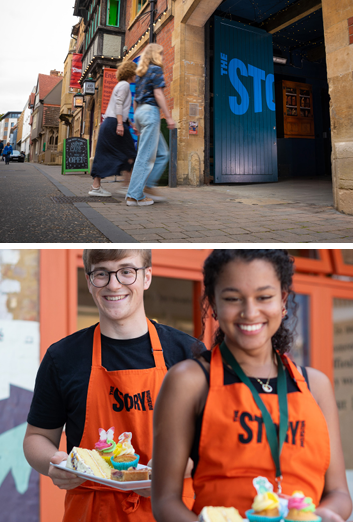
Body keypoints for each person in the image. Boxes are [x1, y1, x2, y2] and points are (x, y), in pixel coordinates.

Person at [151, 249, 352, 522]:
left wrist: (326, 514)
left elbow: (339, 492)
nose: (250, 311)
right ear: (213, 304)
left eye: (264, 297)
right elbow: (165, 501)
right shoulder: (189, 380)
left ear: (282, 300)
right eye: (233, 299)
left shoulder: (315, 385)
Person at [23, 249, 201, 522]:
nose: (113, 284)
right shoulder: (62, 357)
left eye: (127, 271)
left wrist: (177, 468)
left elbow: (215, 440)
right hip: (92, 512)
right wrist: (54, 463)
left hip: (171, 509)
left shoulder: (188, 352)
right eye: (102, 273)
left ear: (147, 277)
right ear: (88, 280)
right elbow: (37, 438)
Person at [126, 44, 175, 207]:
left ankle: (147, 186)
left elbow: (135, 99)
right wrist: (168, 117)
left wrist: (135, 121)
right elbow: (158, 94)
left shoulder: (141, 74)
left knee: (162, 153)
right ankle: (134, 196)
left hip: (140, 112)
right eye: (161, 53)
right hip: (150, 112)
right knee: (146, 156)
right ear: (155, 54)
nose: (163, 56)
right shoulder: (155, 69)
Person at [89, 61, 138, 198]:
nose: (137, 75)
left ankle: (98, 186)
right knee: (129, 153)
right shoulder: (125, 85)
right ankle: (124, 186)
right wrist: (120, 124)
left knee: (113, 153)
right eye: (135, 72)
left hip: (112, 122)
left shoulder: (121, 85)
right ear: (130, 73)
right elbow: (118, 104)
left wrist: (129, 123)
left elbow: (120, 107)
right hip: (114, 123)